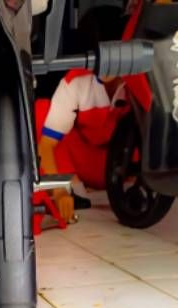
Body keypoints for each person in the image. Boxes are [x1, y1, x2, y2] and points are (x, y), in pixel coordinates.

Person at [37, 69, 128, 222]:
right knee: (41, 111)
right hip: (85, 162)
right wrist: (59, 190)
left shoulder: (143, 77)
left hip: (123, 164)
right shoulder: (75, 80)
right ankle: (73, 187)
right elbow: (46, 144)